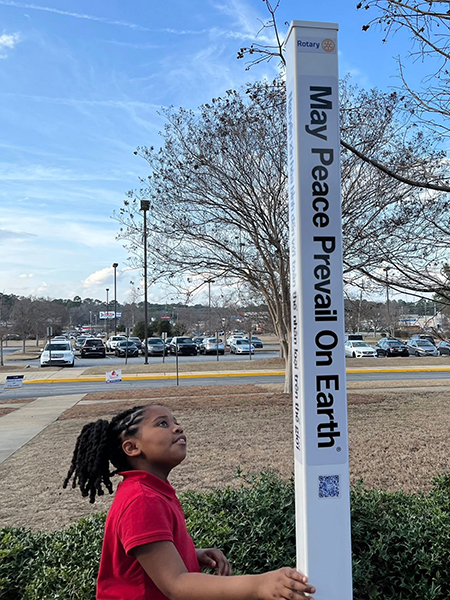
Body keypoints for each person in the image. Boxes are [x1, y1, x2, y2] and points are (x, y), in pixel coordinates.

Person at [63, 404, 316, 600]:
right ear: (131, 448)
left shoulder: (150, 490)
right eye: (163, 424)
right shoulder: (141, 499)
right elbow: (176, 584)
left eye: (175, 422)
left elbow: (149, 559)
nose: (177, 428)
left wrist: (191, 555)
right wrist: (260, 585)